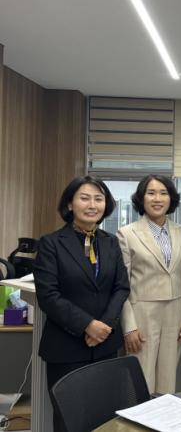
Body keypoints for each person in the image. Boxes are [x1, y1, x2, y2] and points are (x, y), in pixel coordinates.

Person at [33, 176, 130, 431]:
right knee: (70, 420)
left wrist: (104, 326)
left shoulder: (110, 242)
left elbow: (121, 286)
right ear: (69, 204)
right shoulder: (51, 243)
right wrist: (88, 325)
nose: (92, 205)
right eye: (85, 198)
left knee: (105, 418)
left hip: (106, 346)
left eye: (99, 199)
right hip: (66, 348)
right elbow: (48, 295)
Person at [117, 174, 181, 394]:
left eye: (163, 193)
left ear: (171, 198)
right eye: (151, 193)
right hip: (142, 312)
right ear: (141, 198)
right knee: (142, 377)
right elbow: (122, 284)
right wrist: (129, 326)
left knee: (168, 377)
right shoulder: (127, 234)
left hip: (175, 313)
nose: (157, 199)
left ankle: (164, 416)